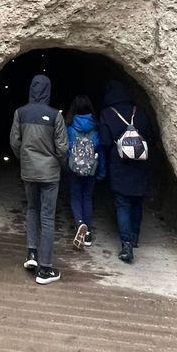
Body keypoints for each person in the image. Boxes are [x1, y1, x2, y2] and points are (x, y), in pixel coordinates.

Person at [9, 74, 67, 285]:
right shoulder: (55, 116)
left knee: (32, 209)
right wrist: (57, 162)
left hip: (29, 171)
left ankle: (31, 254)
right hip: (50, 173)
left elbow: (15, 142)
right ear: (48, 91)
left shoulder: (20, 113)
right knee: (48, 217)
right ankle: (46, 269)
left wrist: (24, 158)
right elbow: (62, 148)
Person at [98, 80, 158, 264]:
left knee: (122, 202)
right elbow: (151, 136)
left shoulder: (107, 114)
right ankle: (135, 236)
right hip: (141, 163)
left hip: (120, 164)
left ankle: (126, 244)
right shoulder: (139, 111)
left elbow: (106, 142)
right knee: (137, 201)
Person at [65, 94, 103, 249]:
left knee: (75, 196)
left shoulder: (70, 126)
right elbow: (99, 148)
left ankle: (79, 223)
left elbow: (66, 147)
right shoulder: (95, 126)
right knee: (87, 197)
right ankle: (87, 234)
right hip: (91, 167)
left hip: (74, 167)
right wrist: (101, 170)